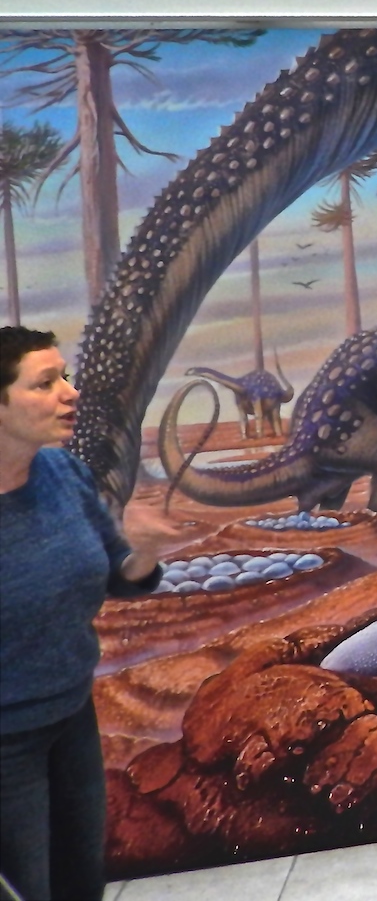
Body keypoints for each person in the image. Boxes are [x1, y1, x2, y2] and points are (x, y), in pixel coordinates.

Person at [0, 327, 161, 900]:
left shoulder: (63, 474)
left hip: (71, 715)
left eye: (64, 377)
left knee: (80, 880)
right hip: (6, 741)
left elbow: (117, 573)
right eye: (45, 383)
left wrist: (146, 552)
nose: (70, 393)